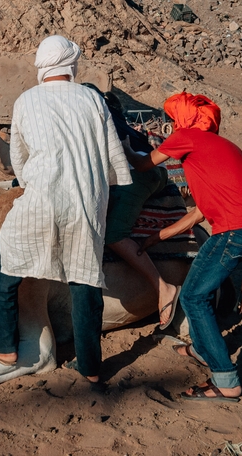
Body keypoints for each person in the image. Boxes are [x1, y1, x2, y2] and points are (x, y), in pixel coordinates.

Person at [0, 35, 132, 384]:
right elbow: (112, 158)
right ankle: (92, 369)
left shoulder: (26, 101)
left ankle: (4, 347)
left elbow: (18, 159)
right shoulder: (93, 99)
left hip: (41, 202)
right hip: (84, 203)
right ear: (70, 65)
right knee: (84, 282)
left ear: (43, 68)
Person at [123, 91, 242, 402]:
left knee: (194, 297)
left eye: (174, 119)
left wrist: (121, 143)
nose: (172, 125)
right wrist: (155, 238)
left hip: (237, 228)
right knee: (198, 288)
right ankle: (202, 348)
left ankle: (225, 379)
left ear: (184, 119)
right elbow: (199, 212)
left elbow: (142, 165)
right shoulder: (219, 147)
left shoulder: (187, 137)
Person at [82, 84, 180, 329]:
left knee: (113, 233)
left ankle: (163, 287)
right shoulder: (113, 117)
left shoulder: (96, 119)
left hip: (138, 175)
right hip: (151, 171)